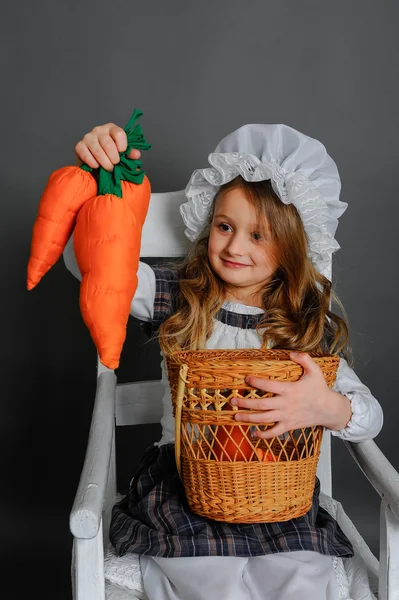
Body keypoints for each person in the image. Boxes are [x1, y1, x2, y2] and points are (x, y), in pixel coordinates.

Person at [73, 120, 383, 600]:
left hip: (278, 496)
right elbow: (93, 266)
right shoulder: (183, 295)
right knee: (208, 576)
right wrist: (106, 180)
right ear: (208, 223)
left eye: (259, 235)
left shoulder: (302, 326)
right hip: (187, 484)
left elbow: (369, 417)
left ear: (293, 244)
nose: (235, 246)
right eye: (224, 226)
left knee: (300, 578)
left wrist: (327, 408)